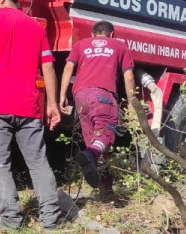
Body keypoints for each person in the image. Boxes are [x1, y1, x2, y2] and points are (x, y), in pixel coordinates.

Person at [0, 0, 78, 230]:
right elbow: (48, 67)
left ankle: (11, 219)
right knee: (38, 163)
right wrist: (51, 104)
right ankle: (51, 218)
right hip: (28, 107)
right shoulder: (36, 27)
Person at [58, 20, 136, 198]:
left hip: (80, 95)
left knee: (95, 144)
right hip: (102, 95)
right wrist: (131, 102)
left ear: (92, 35)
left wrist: (62, 95)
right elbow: (129, 75)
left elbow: (69, 66)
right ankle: (96, 167)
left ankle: (105, 188)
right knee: (106, 134)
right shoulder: (119, 45)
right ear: (112, 35)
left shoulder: (81, 44)